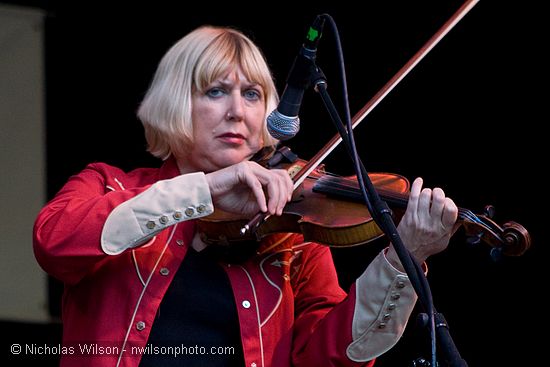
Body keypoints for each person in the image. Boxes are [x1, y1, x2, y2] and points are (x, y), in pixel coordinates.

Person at [33, 25, 458, 367]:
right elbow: (54, 243)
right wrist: (206, 188)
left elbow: (329, 357)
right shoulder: (111, 186)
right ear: (174, 104)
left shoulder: (292, 234)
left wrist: (403, 257)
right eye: (216, 91)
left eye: (252, 95)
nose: (237, 110)